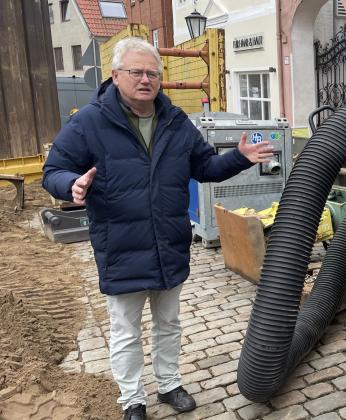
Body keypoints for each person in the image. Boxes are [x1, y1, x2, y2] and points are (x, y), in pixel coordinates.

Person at [43, 37, 274, 420]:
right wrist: (71, 184)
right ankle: (132, 399)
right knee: (125, 331)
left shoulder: (175, 121)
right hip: (121, 246)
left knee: (168, 324)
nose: (145, 79)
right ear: (116, 75)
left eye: (153, 73)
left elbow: (205, 168)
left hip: (169, 243)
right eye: (136, 72)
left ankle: (168, 384)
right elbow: (54, 170)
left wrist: (238, 157)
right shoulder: (89, 122)